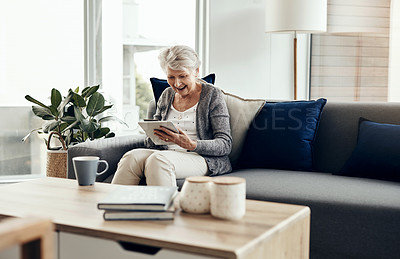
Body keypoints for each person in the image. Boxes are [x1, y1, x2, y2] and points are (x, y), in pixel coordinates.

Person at [111, 45, 232, 186]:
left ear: (196, 72)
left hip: (201, 157)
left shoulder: (212, 95)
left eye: (183, 76)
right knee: (130, 157)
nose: (177, 83)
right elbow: (151, 141)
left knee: (158, 160)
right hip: (166, 153)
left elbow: (225, 144)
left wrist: (192, 144)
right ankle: (114, 205)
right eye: (171, 77)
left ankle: (166, 207)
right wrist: (154, 135)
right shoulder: (167, 95)